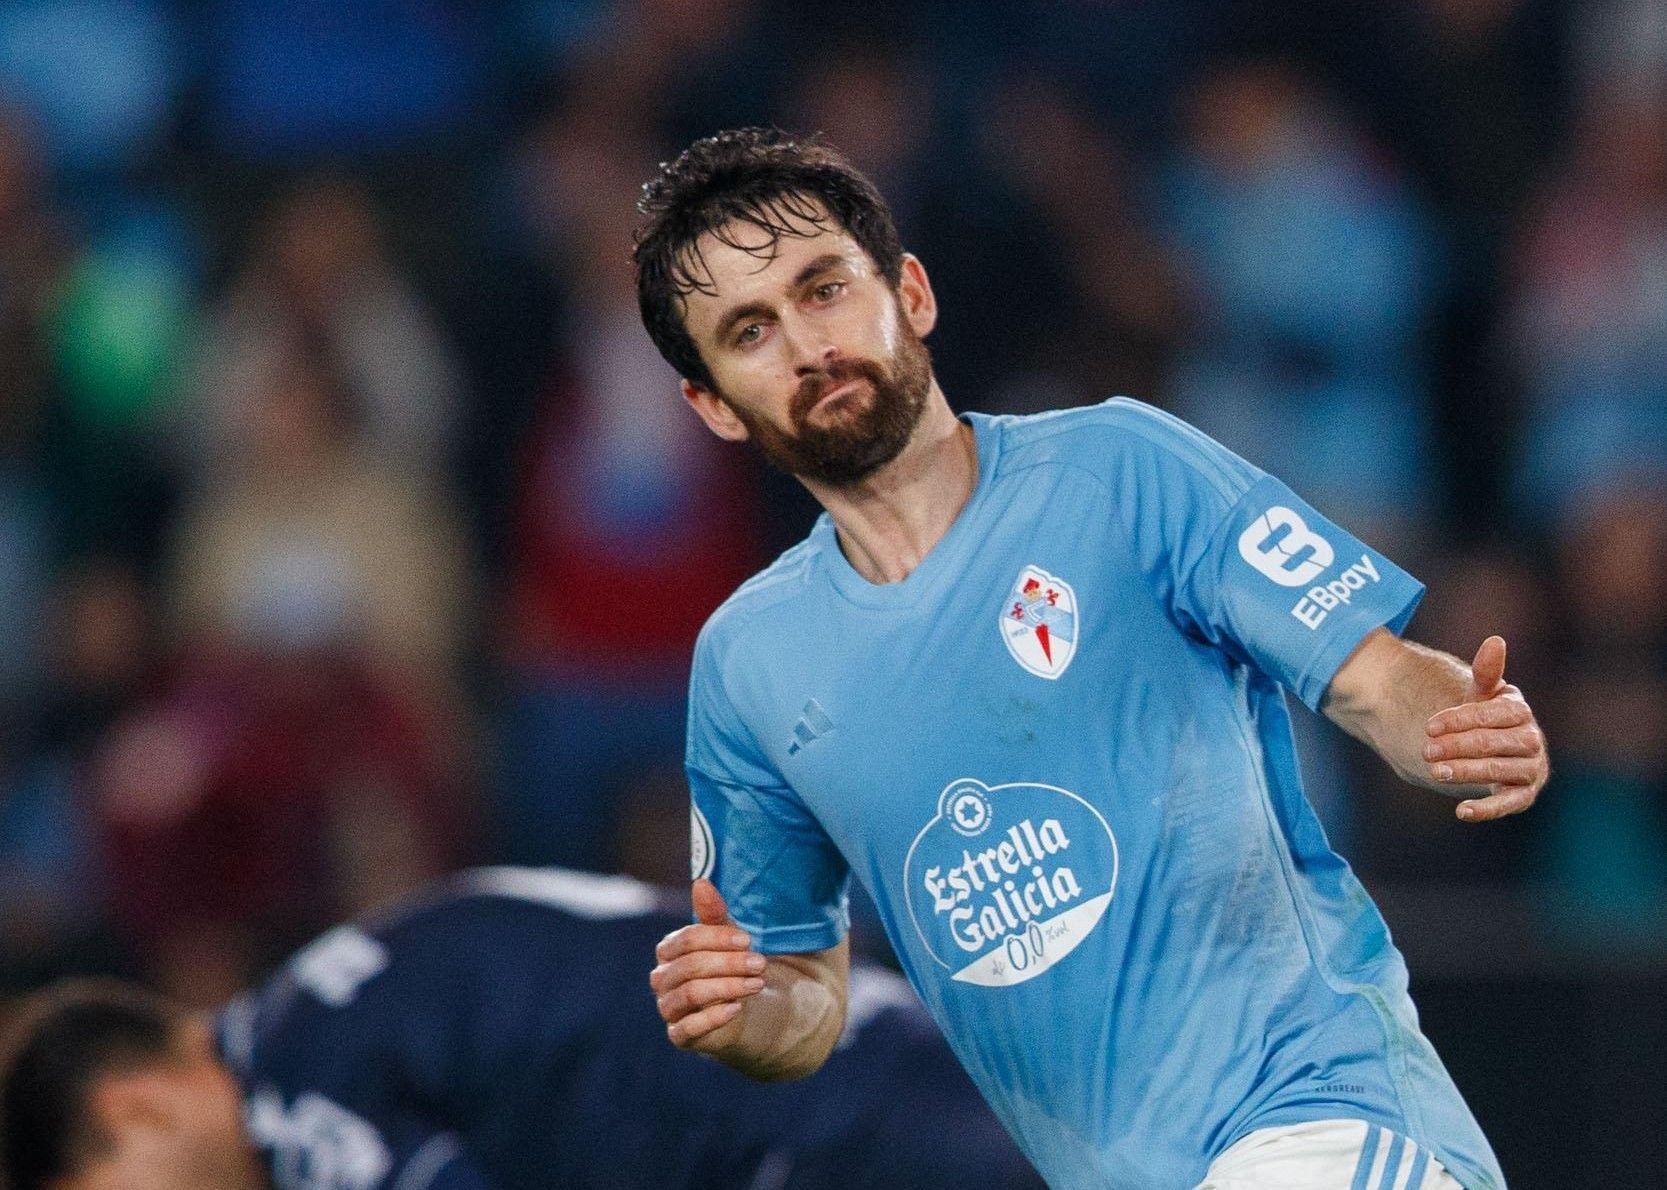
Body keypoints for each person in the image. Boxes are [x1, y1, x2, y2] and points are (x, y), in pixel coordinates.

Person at [634, 129, 1549, 1189]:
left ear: (911, 293)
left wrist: (1457, 725)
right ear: (710, 403)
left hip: (1324, 1114)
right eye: (751, 329)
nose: (807, 343)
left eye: (825, 287)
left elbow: (1375, 677)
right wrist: (741, 1010)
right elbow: (803, 991)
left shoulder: (1121, 469)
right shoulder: (750, 662)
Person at [0, 866, 1044, 1190]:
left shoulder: (293, 1090)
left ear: (130, 1107)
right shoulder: (333, 991)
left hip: (824, 1140)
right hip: (898, 1059)